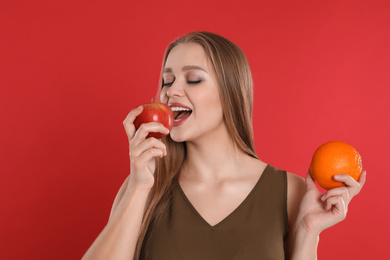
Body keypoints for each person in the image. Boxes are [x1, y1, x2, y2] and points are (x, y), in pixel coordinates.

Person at [82, 31, 366, 260]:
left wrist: (308, 232)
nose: (170, 91)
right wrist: (139, 187)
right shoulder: (143, 186)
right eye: (166, 81)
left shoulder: (290, 192)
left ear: (230, 92)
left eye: (193, 79)